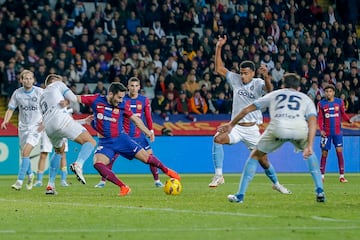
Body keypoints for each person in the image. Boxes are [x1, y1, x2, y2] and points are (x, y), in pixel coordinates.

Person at [219, 73, 325, 203]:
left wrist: (231, 124)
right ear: (298, 87)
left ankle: (240, 195)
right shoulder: (305, 98)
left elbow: (246, 110)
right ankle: (320, 190)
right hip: (299, 128)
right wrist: (310, 145)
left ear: (282, 84)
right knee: (310, 155)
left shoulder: (275, 94)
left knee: (255, 156)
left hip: (278, 128)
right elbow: (313, 121)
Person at [209, 35, 290, 195]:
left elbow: (269, 91)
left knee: (263, 160)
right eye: (241, 73)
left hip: (252, 129)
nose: (243, 76)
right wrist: (219, 46)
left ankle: (276, 184)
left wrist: (267, 77)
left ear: (253, 73)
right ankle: (219, 175)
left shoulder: (258, 83)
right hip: (236, 127)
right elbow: (219, 68)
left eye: (246, 73)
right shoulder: (235, 79)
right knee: (217, 138)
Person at [78, 82, 180, 196]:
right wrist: (59, 92)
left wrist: (148, 132)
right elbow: (75, 98)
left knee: (146, 158)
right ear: (111, 94)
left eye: (122, 97)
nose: (121, 100)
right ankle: (123, 187)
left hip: (122, 139)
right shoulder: (96, 100)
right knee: (97, 163)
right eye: (119, 97)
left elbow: (136, 120)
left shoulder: (122, 105)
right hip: (105, 142)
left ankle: (167, 171)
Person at [94, 77, 165, 188]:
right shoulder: (122, 99)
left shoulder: (144, 100)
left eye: (136, 86)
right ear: (128, 87)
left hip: (139, 136)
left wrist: (150, 131)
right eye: (132, 86)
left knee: (150, 156)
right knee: (111, 158)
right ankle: (103, 181)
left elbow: (148, 116)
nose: (134, 88)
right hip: (124, 136)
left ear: (139, 87)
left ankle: (157, 180)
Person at [39, 74, 97, 194]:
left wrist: (83, 121)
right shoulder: (58, 84)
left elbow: (57, 117)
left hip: (49, 128)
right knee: (90, 142)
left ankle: (50, 185)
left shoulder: (42, 97)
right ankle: (78, 164)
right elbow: (74, 99)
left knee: (59, 151)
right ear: (54, 81)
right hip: (61, 121)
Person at [1, 70, 44, 191]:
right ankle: (30, 174)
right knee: (24, 154)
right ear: (21, 80)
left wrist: (45, 121)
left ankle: (19, 181)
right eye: (26, 78)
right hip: (23, 127)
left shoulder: (40, 92)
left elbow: (50, 107)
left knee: (25, 152)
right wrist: (6, 121)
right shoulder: (17, 93)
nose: (28, 80)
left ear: (33, 79)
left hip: (36, 128)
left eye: (30, 78)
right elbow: (10, 109)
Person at [317, 84, 353, 183]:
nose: (328, 93)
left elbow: (343, 114)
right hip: (326, 133)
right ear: (325, 93)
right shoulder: (321, 104)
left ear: (333, 92)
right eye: (326, 91)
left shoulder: (339, 102)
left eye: (330, 91)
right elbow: (320, 118)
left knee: (339, 152)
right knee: (324, 153)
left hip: (337, 132)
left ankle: (341, 176)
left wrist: (348, 121)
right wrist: (321, 130)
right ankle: (321, 176)